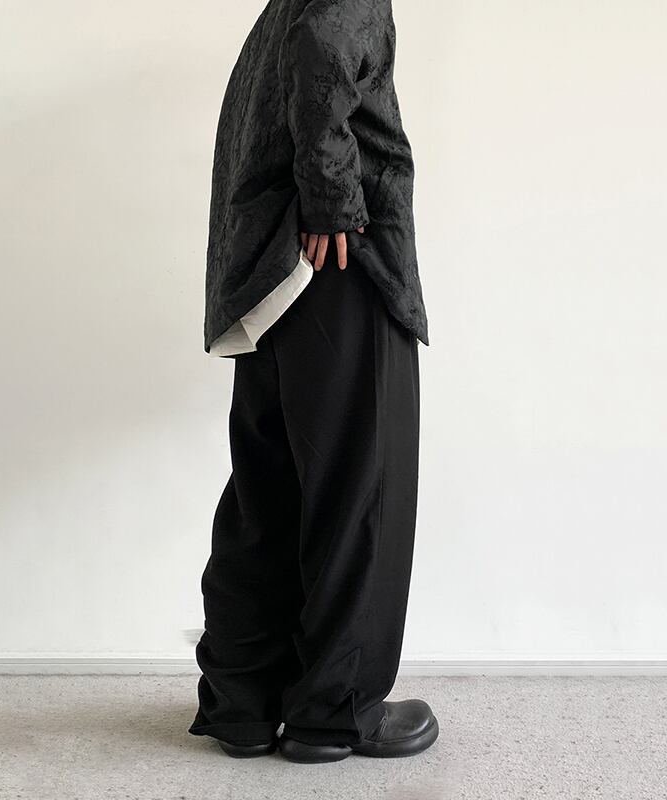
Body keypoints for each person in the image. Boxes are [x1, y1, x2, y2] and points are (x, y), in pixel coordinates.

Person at [188, 0, 437, 764]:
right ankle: (335, 710)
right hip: (338, 262)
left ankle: (243, 703)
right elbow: (326, 49)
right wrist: (333, 202)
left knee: (267, 494)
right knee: (359, 493)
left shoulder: (279, 11)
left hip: (270, 273)